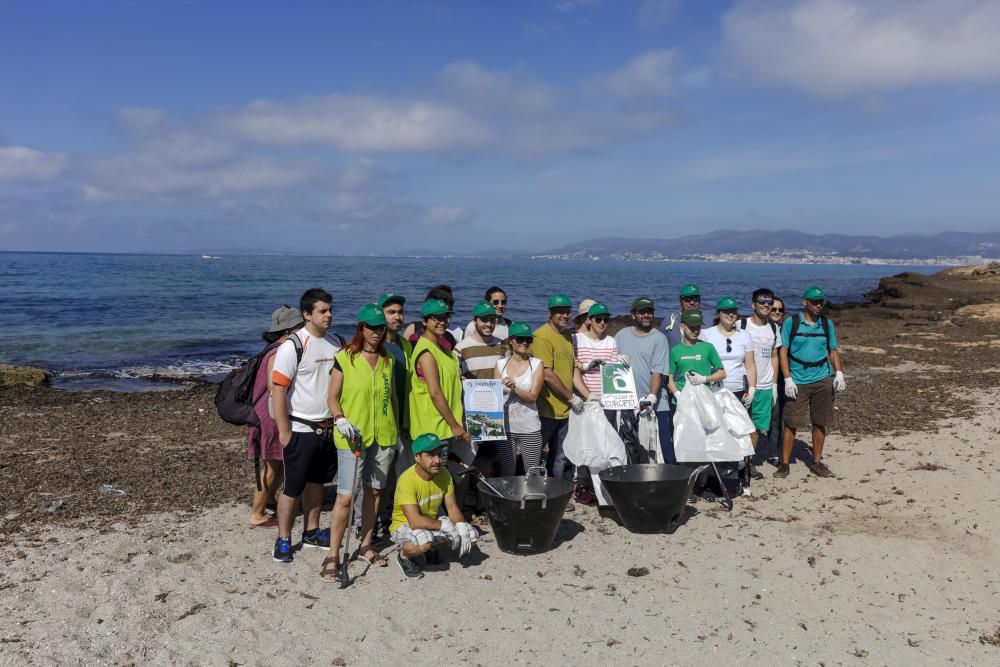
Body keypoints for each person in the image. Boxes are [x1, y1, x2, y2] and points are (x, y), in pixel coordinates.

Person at [318, 304, 398, 581]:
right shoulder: (344, 357)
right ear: (361, 328)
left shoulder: (388, 361)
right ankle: (333, 553)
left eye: (380, 328)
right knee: (345, 496)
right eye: (371, 327)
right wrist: (340, 418)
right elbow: (332, 397)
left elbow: (392, 399)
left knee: (374, 492)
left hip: (384, 436)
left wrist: (397, 428)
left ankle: (366, 544)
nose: (376, 333)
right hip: (352, 435)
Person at [270, 288, 343, 563]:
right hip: (300, 428)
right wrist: (284, 431)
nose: (329, 315)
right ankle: (284, 539)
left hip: (328, 428)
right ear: (306, 314)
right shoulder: (294, 345)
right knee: (293, 487)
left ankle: (311, 531)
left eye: (330, 309)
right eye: (322, 311)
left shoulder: (337, 342)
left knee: (318, 483)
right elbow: (278, 390)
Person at [775, 287, 845, 479]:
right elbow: (783, 351)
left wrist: (839, 373)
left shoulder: (826, 324)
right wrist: (787, 378)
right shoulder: (792, 322)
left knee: (820, 422)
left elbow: (833, 350)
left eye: (820, 301)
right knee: (791, 422)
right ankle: (784, 463)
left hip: (823, 379)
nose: (818, 305)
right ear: (804, 302)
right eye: (814, 301)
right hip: (797, 380)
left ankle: (816, 462)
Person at [391, 433, 479, 579]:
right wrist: (443, 525)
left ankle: (430, 550)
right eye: (431, 455)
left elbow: (452, 507)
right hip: (404, 524)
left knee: (472, 535)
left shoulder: (444, 474)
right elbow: (414, 521)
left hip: (430, 520)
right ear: (417, 457)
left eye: (439, 454)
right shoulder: (406, 480)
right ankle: (404, 557)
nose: (437, 460)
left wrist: (461, 526)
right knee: (424, 542)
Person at [247, 306, 303, 528]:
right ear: (288, 330)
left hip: (268, 412)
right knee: (271, 465)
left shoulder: (274, 348)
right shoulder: (280, 351)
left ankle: (269, 500)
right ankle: (257, 513)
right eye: (300, 327)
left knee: (279, 462)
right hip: (270, 415)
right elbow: (274, 386)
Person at [531, 294, 585, 485]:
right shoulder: (541, 337)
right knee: (535, 453)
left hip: (566, 410)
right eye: (560, 312)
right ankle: (532, 489)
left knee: (561, 454)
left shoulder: (568, 337)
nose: (564, 315)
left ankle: (557, 492)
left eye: (568, 312)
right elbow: (547, 374)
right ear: (550, 313)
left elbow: (571, 371)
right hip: (546, 409)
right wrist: (572, 397)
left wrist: (587, 396)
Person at [615, 297, 672, 462]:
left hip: (655, 405)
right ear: (633, 315)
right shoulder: (621, 335)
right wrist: (616, 358)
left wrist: (652, 397)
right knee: (630, 447)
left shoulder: (659, 338)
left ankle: (664, 484)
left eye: (650, 312)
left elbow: (657, 372)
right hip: (628, 403)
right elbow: (610, 363)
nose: (646, 315)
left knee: (661, 451)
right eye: (642, 312)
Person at [409, 298, 469, 453]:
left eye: (445, 317)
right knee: (434, 472)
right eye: (436, 318)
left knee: (443, 471)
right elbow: (435, 393)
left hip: (445, 424)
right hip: (433, 428)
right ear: (424, 321)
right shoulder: (427, 353)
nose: (442, 322)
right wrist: (455, 425)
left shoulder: (443, 349)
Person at [494, 322, 546, 476]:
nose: (524, 342)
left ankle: (533, 500)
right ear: (511, 340)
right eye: (520, 339)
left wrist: (514, 387)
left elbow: (533, 397)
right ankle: (511, 500)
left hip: (530, 428)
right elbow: (493, 398)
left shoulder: (537, 364)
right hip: (505, 429)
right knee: (507, 473)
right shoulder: (500, 365)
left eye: (528, 339)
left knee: (533, 473)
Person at [738, 289, 781, 461]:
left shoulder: (773, 327)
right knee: (738, 425)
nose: (766, 306)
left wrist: (775, 384)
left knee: (757, 428)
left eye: (769, 303)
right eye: (762, 302)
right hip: (743, 384)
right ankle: (735, 461)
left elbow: (774, 356)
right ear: (753, 305)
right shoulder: (741, 325)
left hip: (764, 386)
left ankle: (747, 463)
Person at [572, 302, 621, 426]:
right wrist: (585, 366)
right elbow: (571, 366)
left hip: (607, 402)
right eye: (598, 319)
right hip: (585, 401)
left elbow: (612, 372)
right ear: (589, 320)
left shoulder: (611, 342)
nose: (602, 322)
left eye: (606, 319)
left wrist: (620, 362)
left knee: (607, 440)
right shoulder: (576, 339)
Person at [666, 310, 726, 396]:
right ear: (682, 326)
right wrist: (677, 394)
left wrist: (704, 379)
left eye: (698, 327)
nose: (695, 330)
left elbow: (722, 374)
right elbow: (668, 378)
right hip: (682, 396)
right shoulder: (675, 350)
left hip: (704, 396)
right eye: (691, 327)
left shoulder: (708, 347)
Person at [455, 301, 504, 380]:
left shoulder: (503, 346)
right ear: (474, 321)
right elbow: (455, 376)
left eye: (492, 319)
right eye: (484, 319)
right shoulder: (460, 348)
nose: (488, 324)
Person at [662, 284, 702, 349]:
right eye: (687, 299)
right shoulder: (670, 320)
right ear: (680, 300)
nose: (692, 302)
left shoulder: (707, 322)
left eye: (695, 298)